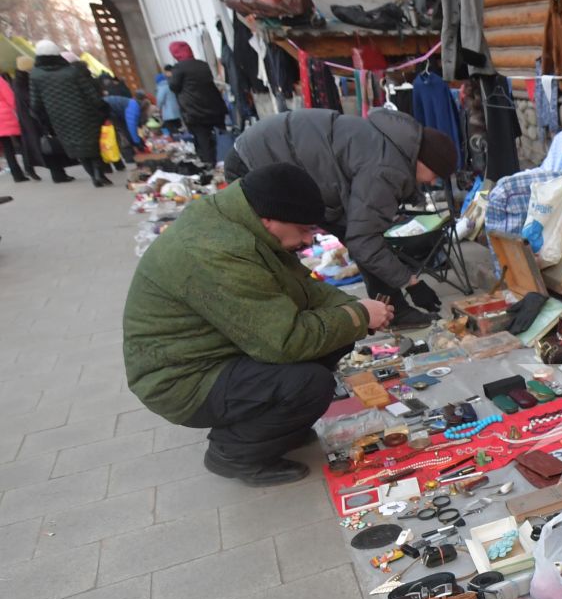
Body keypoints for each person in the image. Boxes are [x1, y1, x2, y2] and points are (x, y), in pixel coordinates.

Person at [122, 161, 396, 486]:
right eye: (305, 229)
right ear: (270, 219)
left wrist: (354, 309)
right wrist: (358, 317)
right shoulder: (220, 250)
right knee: (308, 384)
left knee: (335, 337)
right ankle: (232, 453)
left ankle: (276, 427)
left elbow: (302, 289)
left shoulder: (243, 221)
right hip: (180, 380)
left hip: (213, 353)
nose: (309, 239)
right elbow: (285, 341)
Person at [225, 108, 458, 328]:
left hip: (268, 151)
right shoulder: (387, 168)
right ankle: (291, 328)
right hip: (254, 163)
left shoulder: (393, 143)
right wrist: (411, 282)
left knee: (360, 235)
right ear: (423, 161)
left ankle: (393, 311)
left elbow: (362, 233)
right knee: (276, 252)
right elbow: (363, 240)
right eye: (435, 174)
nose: (431, 182)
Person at [27, 40, 110, 186]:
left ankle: (93, 175)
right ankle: (99, 173)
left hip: (59, 119)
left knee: (76, 147)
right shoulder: (72, 71)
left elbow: (35, 103)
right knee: (93, 145)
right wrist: (102, 107)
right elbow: (90, 93)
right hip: (84, 114)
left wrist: (43, 117)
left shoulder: (35, 75)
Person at [166, 40, 228, 169]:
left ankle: (210, 165)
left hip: (194, 110)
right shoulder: (202, 64)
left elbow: (174, 86)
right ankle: (225, 159)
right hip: (214, 106)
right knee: (219, 136)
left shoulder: (178, 68)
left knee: (202, 138)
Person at [0, 69, 38, 182]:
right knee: (22, 143)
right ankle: (29, 168)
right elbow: (10, 97)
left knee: (7, 149)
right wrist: (18, 111)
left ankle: (16, 175)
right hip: (7, 116)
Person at [155, 67, 182, 134]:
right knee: (179, 128)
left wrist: (158, 108)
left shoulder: (161, 87)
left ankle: (177, 141)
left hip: (168, 113)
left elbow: (160, 99)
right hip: (176, 111)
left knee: (172, 131)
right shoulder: (170, 84)